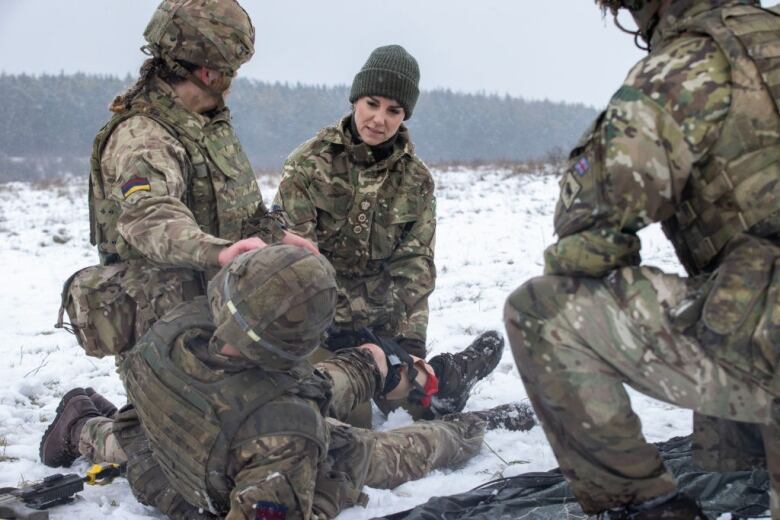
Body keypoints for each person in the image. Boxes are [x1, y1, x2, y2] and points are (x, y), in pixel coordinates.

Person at [505, 0, 780, 518]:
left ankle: (646, 508)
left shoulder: (692, 62)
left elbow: (587, 234)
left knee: (543, 313)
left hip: (770, 337)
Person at [39, 245, 533, 520]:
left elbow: (274, 384)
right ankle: (470, 424)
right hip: (230, 470)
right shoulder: (286, 432)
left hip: (160, 442)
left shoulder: (180, 324)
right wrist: (330, 490)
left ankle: (83, 425)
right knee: (403, 448)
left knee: (339, 377)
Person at [274, 45, 503, 420]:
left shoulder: (416, 181)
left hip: (383, 322)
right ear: (355, 100)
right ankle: (434, 376)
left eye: (393, 110)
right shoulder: (307, 165)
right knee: (344, 416)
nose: (379, 119)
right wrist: (332, 330)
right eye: (372, 103)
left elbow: (415, 266)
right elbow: (296, 261)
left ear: (404, 116)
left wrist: (411, 344)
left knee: (418, 404)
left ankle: (454, 372)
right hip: (318, 323)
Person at [87, 0, 315, 344]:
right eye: (231, 72)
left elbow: (233, 215)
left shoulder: (204, 125)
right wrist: (218, 252)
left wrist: (274, 238)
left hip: (221, 312)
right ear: (209, 73)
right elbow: (151, 218)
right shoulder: (144, 137)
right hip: (169, 331)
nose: (231, 82)